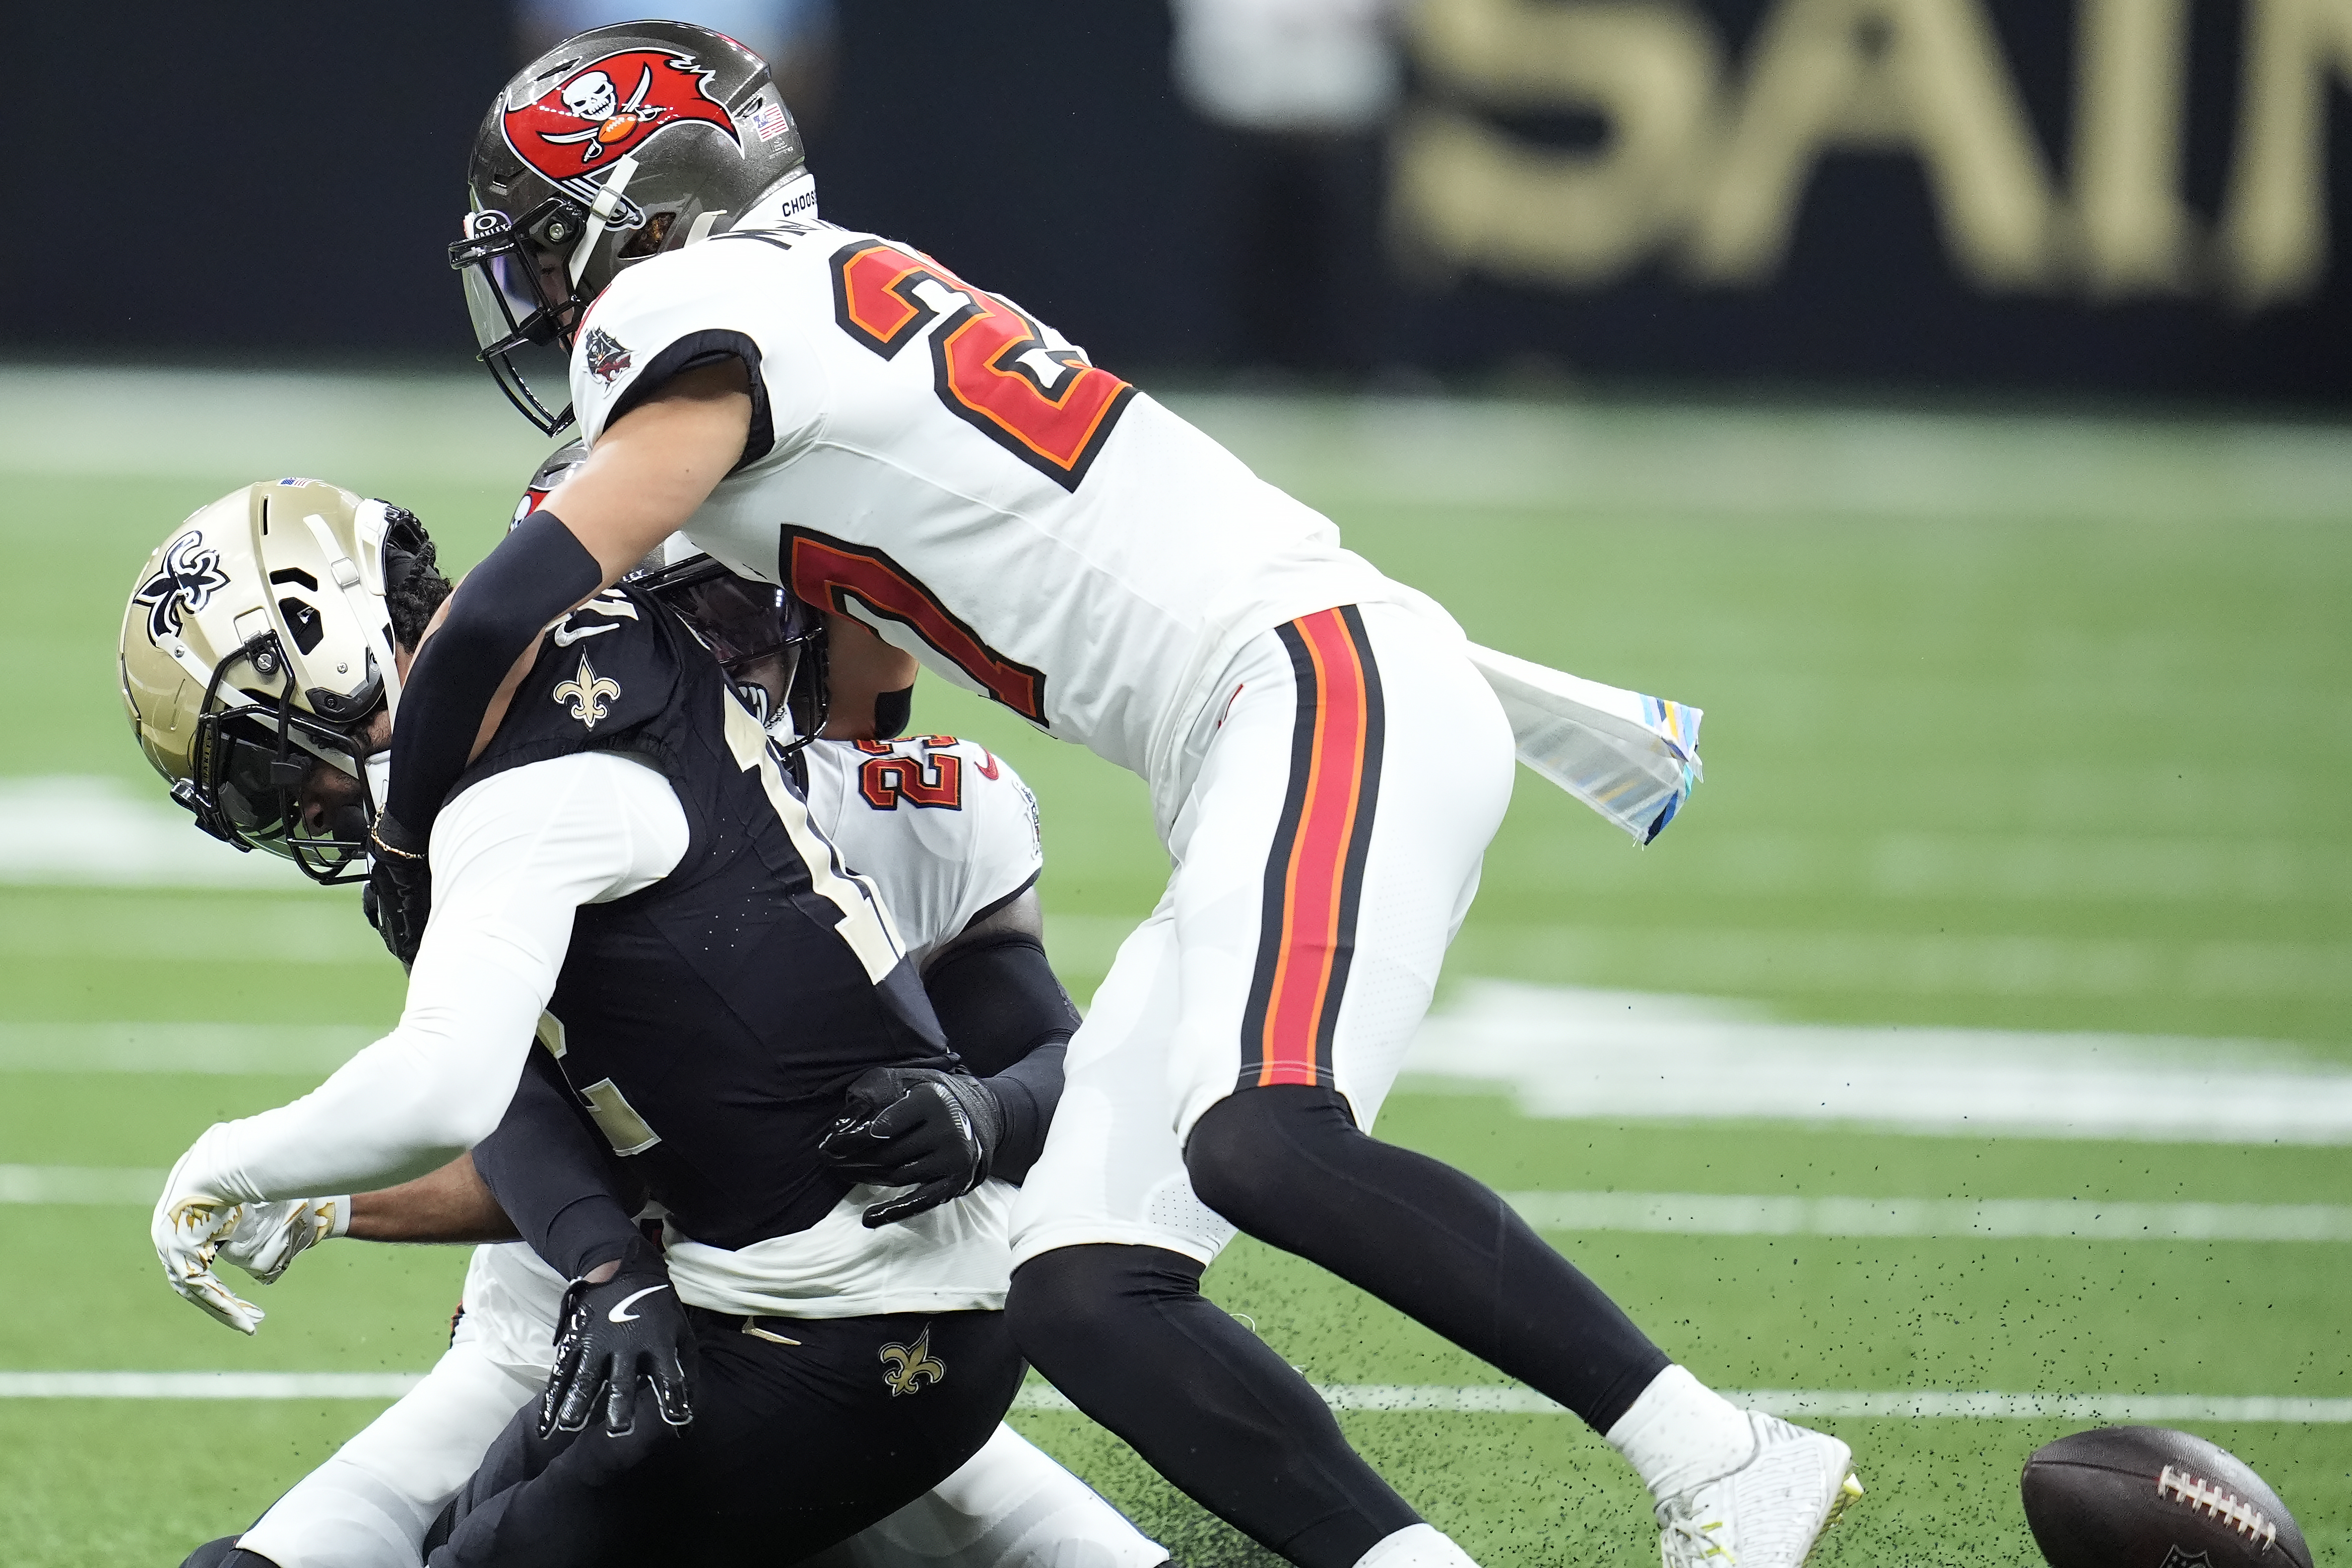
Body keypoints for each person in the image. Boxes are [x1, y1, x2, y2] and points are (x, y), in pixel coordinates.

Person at [405, 22, 1860, 1568]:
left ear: (649, 214)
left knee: (1262, 1139)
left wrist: (410, 832)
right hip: (1262, 726)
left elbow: (497, 617)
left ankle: (1717, 1458)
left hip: (1307, 684)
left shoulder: (691, 311)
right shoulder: (808, 297)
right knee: (1090, 1289)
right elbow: (863, 694)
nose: (542, 290)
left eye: (549, 244)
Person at [127, 479, 1062, 1564]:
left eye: (738, 609)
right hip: (642, 1305)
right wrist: (605, 1264)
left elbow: (448, 1086)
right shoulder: (475, 781)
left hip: (855, 1308)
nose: (728, 647)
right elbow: (519, 1097)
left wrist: (233, 1163)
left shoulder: (556, 779)